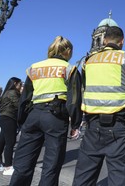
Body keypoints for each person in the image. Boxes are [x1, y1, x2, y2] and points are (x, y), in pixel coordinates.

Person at [73, 26, 125, 186]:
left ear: (104, 40)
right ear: (122, 42)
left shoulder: (88, 61)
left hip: (92, 126)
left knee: (84, 176)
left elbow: (86, 86)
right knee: (118, 176)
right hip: (120, 125)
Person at [9, 36, 82, 186]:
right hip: (56, 117)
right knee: (51, 167)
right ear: (67, 51)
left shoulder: (34, 67)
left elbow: (25, 97)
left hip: (33, 115)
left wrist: (22, 121)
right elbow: (74, 99)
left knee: (23, 164)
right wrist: (75, 124)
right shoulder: (70, 68)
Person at [0, 77, 22, 175]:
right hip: (9, 118)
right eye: (20, 84)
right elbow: (19, 105)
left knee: (1, 142)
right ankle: (8, 167)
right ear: (15, 83)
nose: (20, 87)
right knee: (10, 142)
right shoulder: (12, 92)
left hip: (4, 118)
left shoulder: (6, 93)